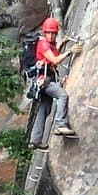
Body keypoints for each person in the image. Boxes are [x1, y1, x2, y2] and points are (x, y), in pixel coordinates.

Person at [28, 17, 76, 148]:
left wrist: (62, 45)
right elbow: (54, 60)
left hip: (44, 80)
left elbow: (51, 56)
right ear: (45, 32)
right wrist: (70, 51)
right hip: (45, 81)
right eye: (49, 32)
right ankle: (61, 124)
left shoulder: (50, 45)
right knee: (62, 96)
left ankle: (35, 140)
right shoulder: (43, 44)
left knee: (44, 109)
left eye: (53, 33)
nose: (51, 35)